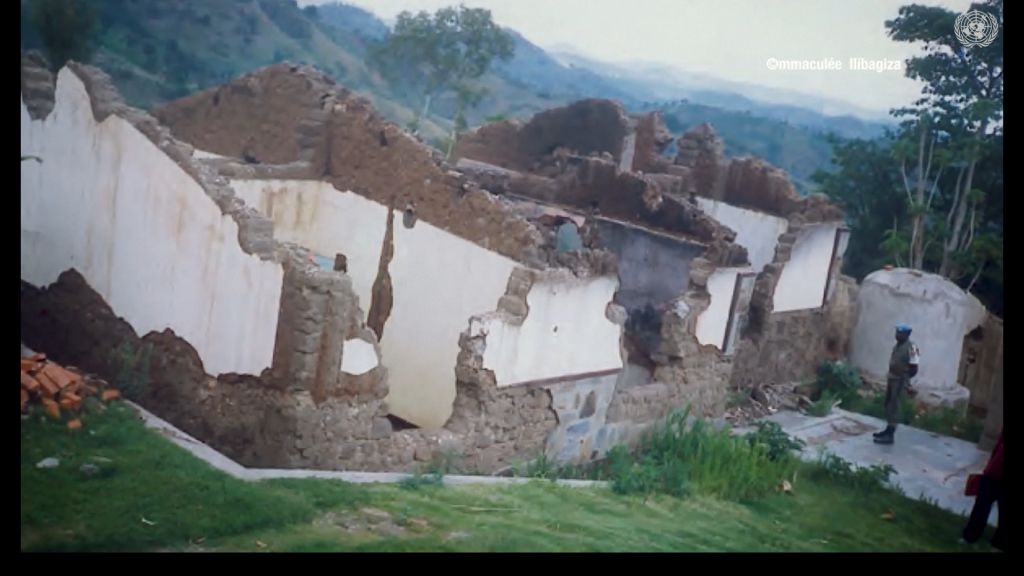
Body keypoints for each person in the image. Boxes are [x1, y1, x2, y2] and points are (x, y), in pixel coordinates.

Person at [873, 323, 919, 445]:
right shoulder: (898, 345)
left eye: (900, 333)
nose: (897, 335)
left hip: (900, 380)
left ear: (907, 334)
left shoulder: (911, 348)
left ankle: (890, 434)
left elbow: (914, 368)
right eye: (897, 332)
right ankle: (887, 430)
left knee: (895, 405)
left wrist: (905, 378)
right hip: (892, 378)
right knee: (888, 404)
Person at [961, 428, 1002, 550]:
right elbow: (999, 445)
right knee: (981, 506)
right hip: (993, 472)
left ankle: (999, 543)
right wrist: (989, 467)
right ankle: (970, 536)